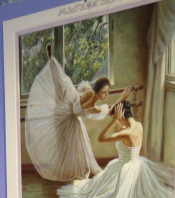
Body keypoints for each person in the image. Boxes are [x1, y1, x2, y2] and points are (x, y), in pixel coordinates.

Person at [57, 100, 175, 198]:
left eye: (115, 116)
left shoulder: (126, 133)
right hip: (137, 164)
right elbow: (124, 136)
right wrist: (119, 121)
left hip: (125, 168)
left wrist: (113, 121)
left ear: (120, 115)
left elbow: (101, 138)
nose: (115, 119)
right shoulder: (138, 125)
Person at [25, 44, 132, 182]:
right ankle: (51, 61)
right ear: (97, 92)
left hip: (70, 111)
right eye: (104, 92)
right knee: (61, 85)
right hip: (68, 116)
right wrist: (121, 98)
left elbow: (97, 101)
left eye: (107, 92)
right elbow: (106, 109)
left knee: (63, 83)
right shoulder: (92, 103)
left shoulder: (90, 93)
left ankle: (52, 61)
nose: (106, 95)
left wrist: (117, 98)